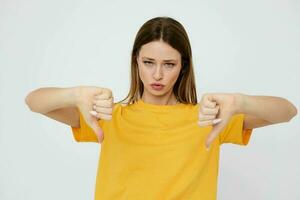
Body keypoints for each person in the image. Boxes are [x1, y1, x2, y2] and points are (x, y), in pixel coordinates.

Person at [25, 16, 297, 200]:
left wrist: (240, 102)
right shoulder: (110, 117)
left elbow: (287, 111)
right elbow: (34, 102)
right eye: (148, 62)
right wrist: (74, 94)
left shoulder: (208, 118)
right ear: (136, 62)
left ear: (183, 67)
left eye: (169, 64)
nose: (157, 75)